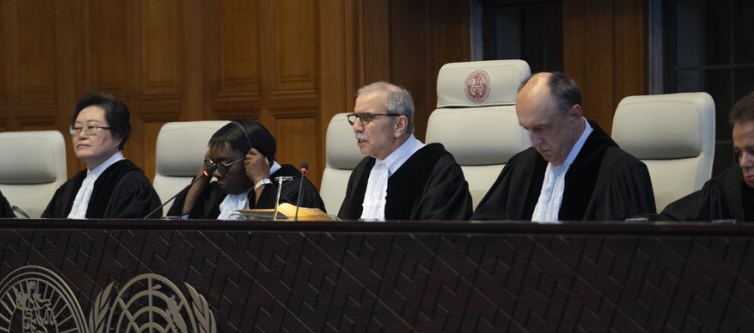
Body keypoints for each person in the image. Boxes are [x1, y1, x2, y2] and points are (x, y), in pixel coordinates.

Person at [473, 72, 655, 221]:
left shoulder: (619, 174)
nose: (534, 142)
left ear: (574, 116)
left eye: (541, 128)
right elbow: (481, 238)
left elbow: (626, 256)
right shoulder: (521, 168)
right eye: (527, 129)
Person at [338, 82, 472, 220]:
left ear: (399, 125)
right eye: (355, 118)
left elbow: (439, 238)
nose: (356, 127)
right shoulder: (363, 170)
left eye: (366, 118)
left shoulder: (440, 170)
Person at [166, 118, 324, 219]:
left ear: (254, 159)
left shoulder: (294, 190)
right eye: (214, 164)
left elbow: (275, 242)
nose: (216, 173)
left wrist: (261, 181)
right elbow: (181, 224)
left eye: (223, 164)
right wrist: (205, 172)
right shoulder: (221, 191)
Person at [42, 92, 161, 219]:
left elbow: (126, 237)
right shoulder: (70, 187)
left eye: (91, 127)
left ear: (118, 136)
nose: (81, 135)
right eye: (77, 128)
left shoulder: (133, 186)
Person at [660, 91, 754, 221]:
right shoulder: (727, 189)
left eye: (753, 151)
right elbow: (670, 222)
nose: (744, 163)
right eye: (740, 153)